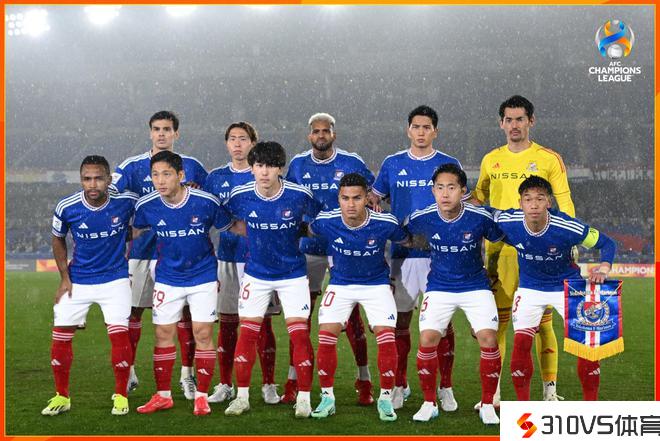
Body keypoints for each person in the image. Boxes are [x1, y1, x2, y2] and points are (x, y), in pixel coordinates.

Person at [474, 95, 575, 405]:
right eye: (509, 119)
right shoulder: (491, 160)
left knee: (542, 324)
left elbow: (564, 202)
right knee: (499, 322)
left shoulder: (548, 159)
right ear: (501, 123)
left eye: (520, 119)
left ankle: (549, 391)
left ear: (531, 121)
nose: (514, 125)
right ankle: (494, 394)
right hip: (500, 253)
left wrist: (568, 243)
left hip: (540, 252)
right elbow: (479, 200)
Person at [370, 105, 469, 410]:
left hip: (439, 256)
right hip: (402, 255)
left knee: (442, 324)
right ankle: (400, 385)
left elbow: (463, 205)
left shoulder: (448, 164)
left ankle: (445, 387)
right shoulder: (392, 163)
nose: (421, 132)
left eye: (427, 127)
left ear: (435, 131)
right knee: (401, 322)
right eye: (416, 126)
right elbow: (374, 199)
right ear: (408, 130)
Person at [112, 110, 208, 399]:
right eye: (157, 129)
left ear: (176, 133)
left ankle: (187, 374)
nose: (162, 134)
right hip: (142, 252)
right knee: (133, 311)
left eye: (167, 129)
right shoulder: (131, 167)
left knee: (187, 315)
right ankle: (129, 371)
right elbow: (111, 195)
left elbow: (208, 202)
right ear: (150, 132)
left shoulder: (192, 166)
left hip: (182, 253)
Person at [223, 141, 323, 418]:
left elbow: (319, 222)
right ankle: (242, 397)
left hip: (293, 275)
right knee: (247, 333)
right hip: (256, 275)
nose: (264, 172)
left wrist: (302, 230)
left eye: (270, 166)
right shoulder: (240, 195)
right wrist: (255, 233)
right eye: (259, 166)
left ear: (280, 168)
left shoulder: (299, 195)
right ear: (252, 168)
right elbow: (226, 220)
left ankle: (304, 399)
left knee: (299, 334)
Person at [495, 176, 615, 401]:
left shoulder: (566, 227)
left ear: (549, 202)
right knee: (521, 343)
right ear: (520, 203)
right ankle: (524, 407)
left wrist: (604, 267)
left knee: (587, 346)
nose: (533, 204)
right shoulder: (508, 220)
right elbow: (481, 215)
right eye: (528, 199)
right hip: (530, 288)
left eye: (540, 199)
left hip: (567, 286)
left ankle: (591, 406)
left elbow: (607, 243)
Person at [132, 151, 235, 416]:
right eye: (155, 175)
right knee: (163, 334)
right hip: (167, 278)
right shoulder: (146, 206)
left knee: (203, 334)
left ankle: (201, 397)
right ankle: (163, 395)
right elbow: (133, 231)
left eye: (166, 174)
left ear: (180, 175)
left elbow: (232, 227)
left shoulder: (205, 202)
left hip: (202, 277)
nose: (160, 180)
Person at [285, 113, 376, 405]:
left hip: (343, 247)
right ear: (309, 135)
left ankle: (364, 380)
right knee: (302, 316)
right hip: (310, 246)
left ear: (334, 134)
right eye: (316, 131)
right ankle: (294, 380)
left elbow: (372, 195)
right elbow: (288, 198)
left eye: (326, 131)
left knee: (352, 318)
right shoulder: (298, 164)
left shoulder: (351, 162)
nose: (321, 135)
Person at [406, 164, 502, 424]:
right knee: (427, 339)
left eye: (451, 187)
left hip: (476, 286)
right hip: (439, 287)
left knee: (488, 339)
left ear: (462, 191)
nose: (445, 193)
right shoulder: (423, 217)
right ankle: (429, 403)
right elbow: (403, 233)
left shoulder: (480, 217)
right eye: (439, 188)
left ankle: (487, 404)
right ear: (433, 191)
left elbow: (501, 235)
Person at [43, 155, 137, 416]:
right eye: (87, 179)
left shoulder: (127, 201)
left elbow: (153, 208)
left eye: (98, 178)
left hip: (115, 279)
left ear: (109, 179)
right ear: (81, 180)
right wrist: (64, 277)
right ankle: (62, 396)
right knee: (60, 335)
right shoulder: (67, 207)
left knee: (119, 335)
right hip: (78, 280)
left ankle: (121, 395)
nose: (92, 184)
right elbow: (57, 238)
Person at [308, 173, 406, 422]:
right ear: (338, 199)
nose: (350, 204)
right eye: (345, 198)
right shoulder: (326, 220)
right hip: (340, 284)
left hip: (376, 285)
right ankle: (327, 398)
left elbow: (407, 239)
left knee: (386, 335)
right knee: (326, 334)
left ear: (367, 199)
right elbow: (309, 230)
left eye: (357, 198)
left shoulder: (385, 222)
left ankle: (385, 398)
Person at [203, 122, 279, 405]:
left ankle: (268, 384)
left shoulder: (264, 173)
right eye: (232, 138)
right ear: (226, 143)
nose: (237, 144)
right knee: (227, 324)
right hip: (227, 259)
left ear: (253, 143)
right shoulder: (215, 178)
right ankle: (225, 383)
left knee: (262, 325)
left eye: (243, 138)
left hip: (261, 259)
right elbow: (206, 213)